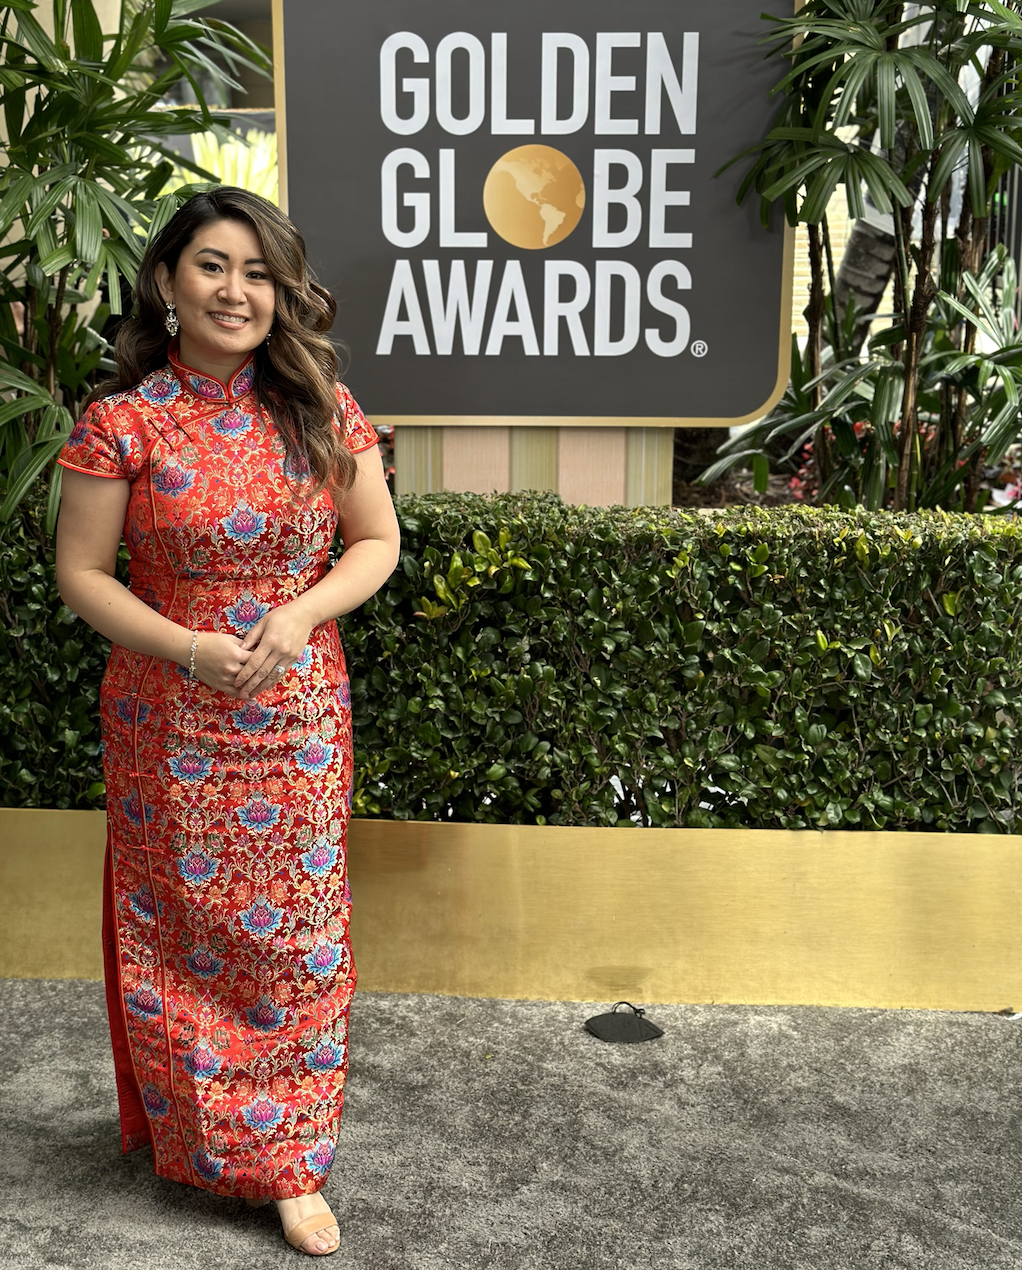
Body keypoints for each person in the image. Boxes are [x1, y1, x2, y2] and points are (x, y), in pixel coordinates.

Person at [54, 186, 401, 1257]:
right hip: (168, 710)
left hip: (298, 708)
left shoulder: (322, 407)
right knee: (179, 928)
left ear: (281, 290)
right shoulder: (122, 423)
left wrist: (299, 613)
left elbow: (375, 543)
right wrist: (190, 648)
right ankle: (193, 1131)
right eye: (212, 265)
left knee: (295, 933)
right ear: (166, 282)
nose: (236, 290)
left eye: (257, 272)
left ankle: (290, 1161)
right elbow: (79, 574)